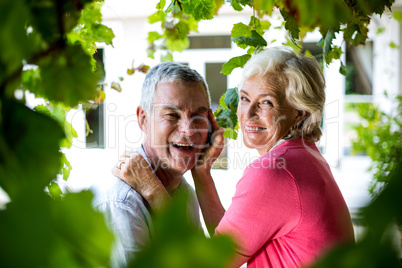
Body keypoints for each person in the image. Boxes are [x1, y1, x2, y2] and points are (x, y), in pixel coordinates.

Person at [113, 47, 355, 267]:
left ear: (299, 113)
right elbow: (232, 244)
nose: (248, 113)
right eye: (245, 98)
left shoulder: (276, 172)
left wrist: (151, 188)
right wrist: (202, 173)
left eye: (266, 103)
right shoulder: (306, 157)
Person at [91, 62, 212, 268]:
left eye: (198, 116)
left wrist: (202, 173)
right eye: (172, 115)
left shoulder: (186, 193)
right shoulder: (124, 203)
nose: (188, 131)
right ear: (143, 120)